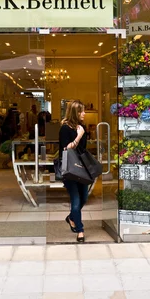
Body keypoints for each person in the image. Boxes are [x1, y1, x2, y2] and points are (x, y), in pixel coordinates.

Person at [59, 100, 88, 243]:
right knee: (76, 200)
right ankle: (80, 230)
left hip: (82, 169)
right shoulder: (65, 128)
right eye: (81, 111)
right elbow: (66, 149)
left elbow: (82, 149)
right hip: (70, 169)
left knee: (84, 198)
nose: (84, 113)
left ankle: (71, 217)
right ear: (75, 113)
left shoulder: (82, 127)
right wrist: (78, 136)